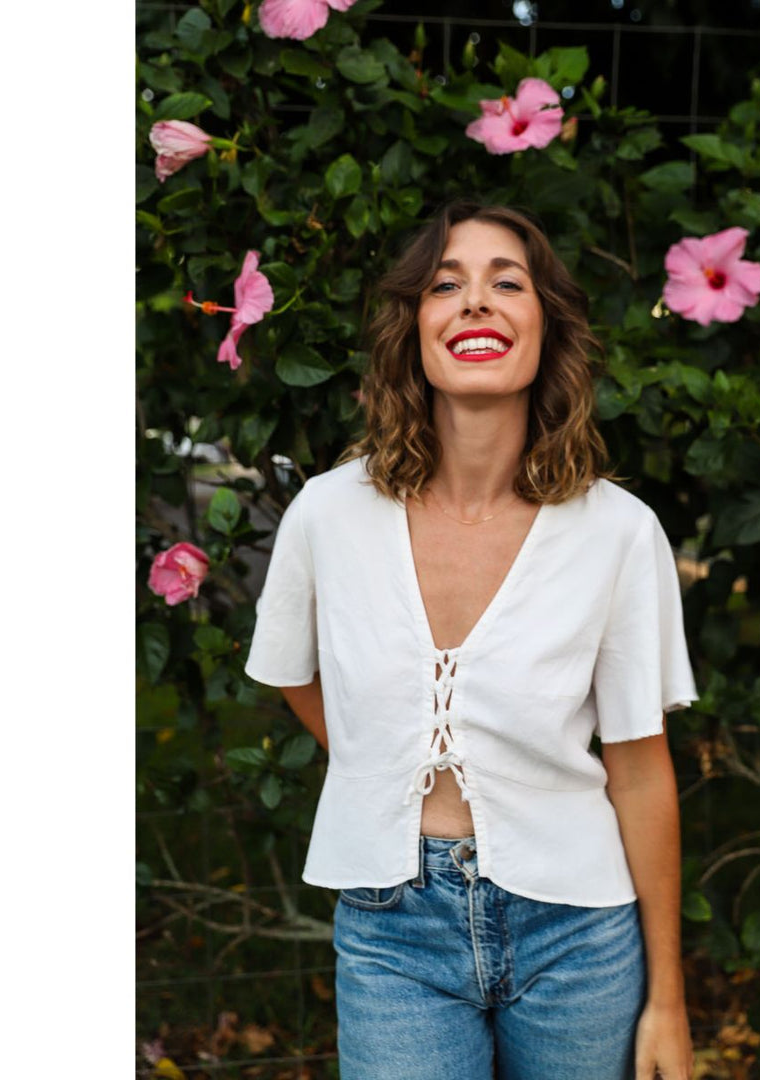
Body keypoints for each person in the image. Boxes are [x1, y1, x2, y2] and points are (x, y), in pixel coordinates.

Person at [245, 200, 699, 1080]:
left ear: (546, 326)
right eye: (445, 284)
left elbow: (643, 769)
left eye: (507, 282)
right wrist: (381, 764)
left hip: (580, 933)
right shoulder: (328, 515)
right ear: (414, 329)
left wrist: (668, 1002)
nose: (476, 302)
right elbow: (289, 672)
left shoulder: (619, 533)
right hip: (392, 933)